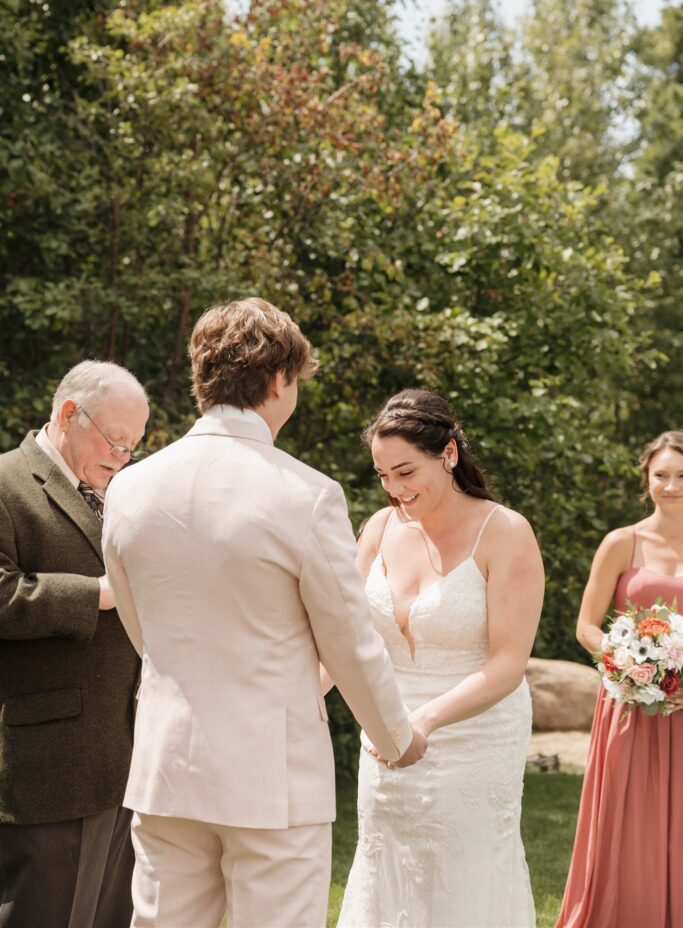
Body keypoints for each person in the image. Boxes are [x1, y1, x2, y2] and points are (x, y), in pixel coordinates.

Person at [102, 298, 427, 928]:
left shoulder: (130, 486)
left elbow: (140, 624)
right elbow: (349, 639)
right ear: (279, 379)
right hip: (272, 778)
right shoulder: (306, 494)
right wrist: (395, 737)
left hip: (167, 765)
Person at [338, 388, 544, 928]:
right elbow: (346, 636)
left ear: (448, 454)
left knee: (465, 874)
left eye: (406, 472)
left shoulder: (506, 533)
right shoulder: (379, 528)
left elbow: (507, 664)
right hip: (385, 734)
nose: (395, 490)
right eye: (383, 476)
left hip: (475, 734)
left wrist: (422, 721)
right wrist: (293, 703)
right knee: (387, 868)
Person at [0, 360, 149, 928]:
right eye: (115, 440)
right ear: (69, 414)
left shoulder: (122, 494)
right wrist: (98, 595)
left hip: (123, 757)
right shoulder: (6, 481)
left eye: (133, 446)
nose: (122, 457)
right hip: (46, 766)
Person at [556, 430, 683, 928]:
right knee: (628, 820)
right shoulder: (622, 542)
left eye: (682, 476)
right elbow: (587, 625)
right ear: (646, 478)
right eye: (662, 476)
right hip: (630, 703)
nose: (671, 486)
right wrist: (627, 662)